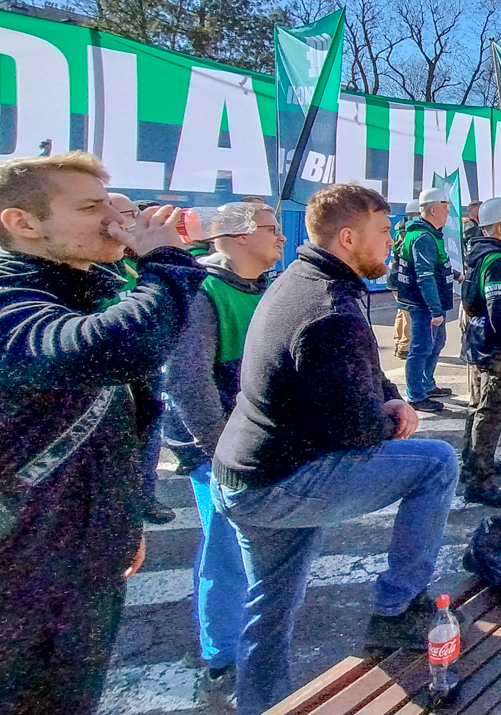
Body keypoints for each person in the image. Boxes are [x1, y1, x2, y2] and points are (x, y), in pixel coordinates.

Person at [210, 184, 458, 715]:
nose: (392, 243)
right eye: (384, 233)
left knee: (272, 604)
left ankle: (258, 702)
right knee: (437, 463)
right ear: (348, 237)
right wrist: (392, 419)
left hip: (245, 472)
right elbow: (355, 432)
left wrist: (390, 397)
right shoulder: (328, 309)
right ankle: (396, 608)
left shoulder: (305, 278)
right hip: (282, 480)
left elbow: (362, 367)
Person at [0, 152, 207, 715]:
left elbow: (123, 420)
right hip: (20, 571)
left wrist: (122, 518)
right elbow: (106, 348)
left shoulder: (81, 286)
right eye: (91, 207)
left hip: (81, 560)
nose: (114, 220)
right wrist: (165, 262)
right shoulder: (11, 296)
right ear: (22, 223)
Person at [163, 202, 286, 709]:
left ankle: (229, 636)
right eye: (271, 228)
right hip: (216, 450)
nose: (282, 238)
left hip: (253, 444)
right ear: (236, 236)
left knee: (240, 543)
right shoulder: (201, 292)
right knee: (228, 547)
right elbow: (189, 383)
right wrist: (223, 453)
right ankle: (222, 658)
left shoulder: (263, 289)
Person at [106, 191, 174, 524]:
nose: (134, 221)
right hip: (110, 369)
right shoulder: (99, 268)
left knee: (148, 438)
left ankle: (144, 497)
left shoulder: (135, 265)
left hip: (145, 367)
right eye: (128, 213)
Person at [458, 197, 501, 507]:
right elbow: (497, 306)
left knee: (477, 406)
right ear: (500, 227)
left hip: (476, 341)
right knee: (492, 411)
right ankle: (480, 480)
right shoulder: (496, 261)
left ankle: (472, 462)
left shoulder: (477, 255)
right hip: (494, 346)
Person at [391, 187, 455, 411]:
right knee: (421, 347)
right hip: (424, 304)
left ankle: (426, 384)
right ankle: (416, 395)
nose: (448, 213)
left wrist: (455, 275)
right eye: (446, 209)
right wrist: (435, 310)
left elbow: (435, 267)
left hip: (431, 302)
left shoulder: (430, 235)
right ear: (434, 209)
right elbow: (425, 276)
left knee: (436, 343)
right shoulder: (423, 237)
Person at [391, 195, 418, 360]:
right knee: (407, 311)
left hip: (395, 276)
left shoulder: (400, 231)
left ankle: (399, 343)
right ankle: (404, 347)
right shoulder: (407, 234)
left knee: (402, 311)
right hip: (401, 277)